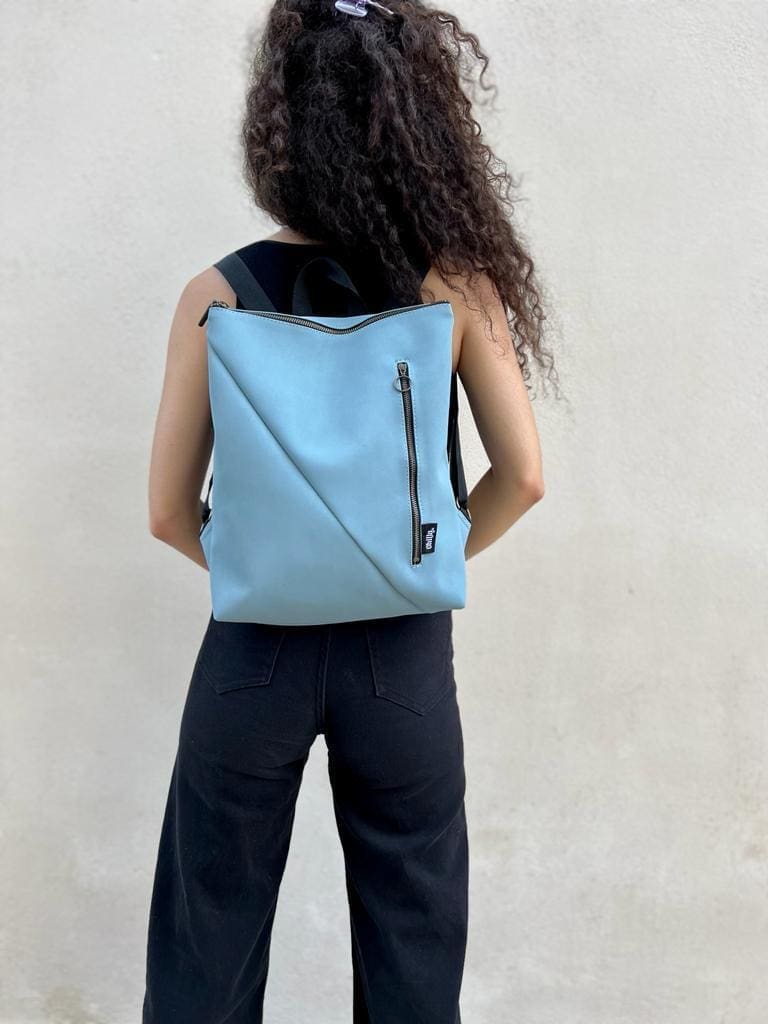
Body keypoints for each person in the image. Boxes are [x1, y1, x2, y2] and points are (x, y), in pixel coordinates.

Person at [144, 1, 554, 1021]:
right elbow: (524, 477)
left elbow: (166, 512)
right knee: (413, 937)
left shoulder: (214, 295)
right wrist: (416, 561)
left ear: (277, 127)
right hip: (400, 657)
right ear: (418, 123)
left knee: (209, 939)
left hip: (253, 654)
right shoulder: (456, 288)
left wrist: (267, 570)